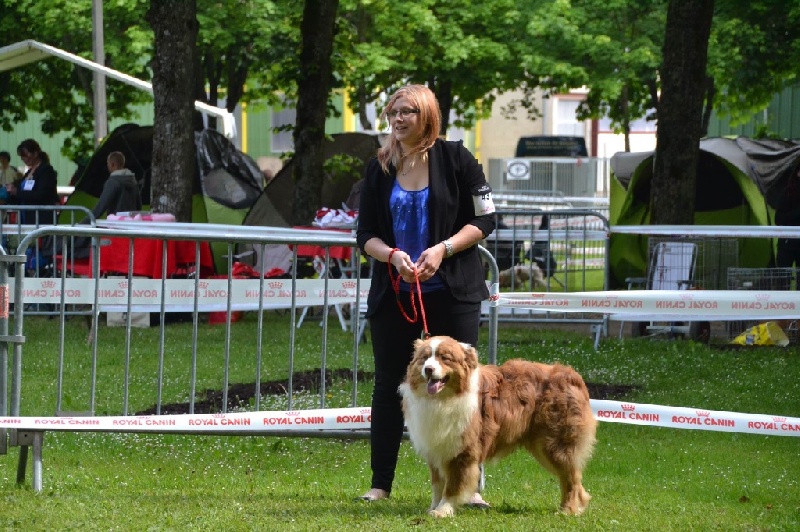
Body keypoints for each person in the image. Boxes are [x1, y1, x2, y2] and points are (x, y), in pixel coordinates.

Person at [355, 84, 496, 505]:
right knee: (388, 388)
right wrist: (392, 255)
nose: (398, 119)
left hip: (452, 292)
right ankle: (381, 484)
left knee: (466, 388)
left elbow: (486, 220)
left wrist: (444, 248)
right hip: (395, 294)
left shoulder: (458, 159)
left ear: (428, 116)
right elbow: (365, 235)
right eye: (394, 112)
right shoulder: (378, 168)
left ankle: (469, 488)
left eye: (408, 112)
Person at [8, 139, 59, 225]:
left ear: (35, 154)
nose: (22, 158)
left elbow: (42, 194)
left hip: (41, 218)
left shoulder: (46, 171)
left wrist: (17, 192)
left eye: (25, 155)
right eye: (21, 155)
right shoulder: (29, 172)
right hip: (26, 217)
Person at [776, 165, 800, 269]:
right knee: (783, 279)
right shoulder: (788, 193)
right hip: (786, 244)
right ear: (798, 173)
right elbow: (778, 219)